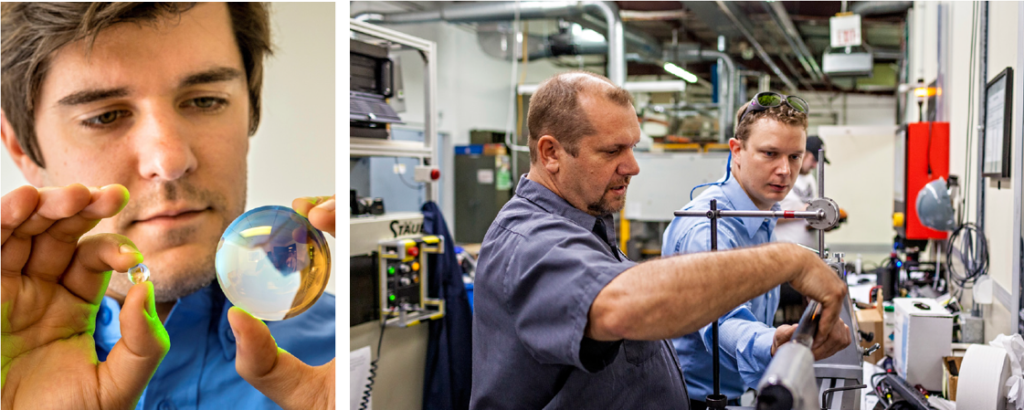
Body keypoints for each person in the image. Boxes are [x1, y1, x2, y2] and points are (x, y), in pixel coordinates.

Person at [0, 2, 335, 409]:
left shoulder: (339, 365)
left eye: (205, 101)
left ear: (252, 109)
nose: (170, 162)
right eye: (105, 116)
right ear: (21, 148)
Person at [470, 71, 850, 409]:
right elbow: (623, 307)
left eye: (633, 146)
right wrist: (788, 260)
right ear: (550, 153)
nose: (633, 166)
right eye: (612, 150)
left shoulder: (585, 223)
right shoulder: (530, 239)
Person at [662, 96, 850, 409]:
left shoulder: (759, 215)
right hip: (693, 400)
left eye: (794, 156)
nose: (784, 170)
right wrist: (771, 342)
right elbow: (722, 319)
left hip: (738, 392)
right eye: (770, 154)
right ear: (737, 151)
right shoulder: (710, 229)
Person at [775, 136, 829, 249]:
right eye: (813, 160)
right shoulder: (781, 178)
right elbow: (768, 217)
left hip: (808, 249)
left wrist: (824, 221)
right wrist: (804, 212)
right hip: (784, 249)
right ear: (802, 154)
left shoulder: (810, 179)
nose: (815, 166)